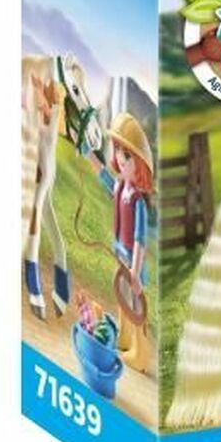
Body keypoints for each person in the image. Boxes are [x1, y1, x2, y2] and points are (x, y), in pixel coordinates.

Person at [97, 112, 154, 372]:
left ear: (139, 164)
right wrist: (89, 155)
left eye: (127, 154)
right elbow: (105, 179)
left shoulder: (139, 201)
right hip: (120, 255)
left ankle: (140, 353)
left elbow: (140, 239)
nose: (120, 157)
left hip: (132, 261)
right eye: (118, 150)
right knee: (121, 298)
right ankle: (123, 336)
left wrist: (134, 271)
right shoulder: (121, 188)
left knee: (135, 306)